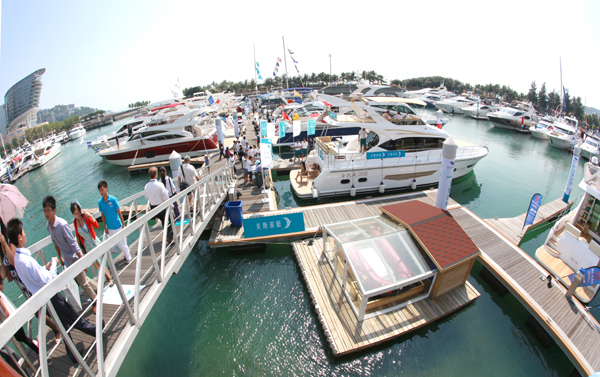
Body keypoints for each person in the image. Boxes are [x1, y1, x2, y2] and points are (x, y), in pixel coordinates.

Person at [10, 218, 98, 364]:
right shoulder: (26, 259)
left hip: (41, 299)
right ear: (19, 237)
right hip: (50, 296)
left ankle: (72, 354)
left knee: (63, 323)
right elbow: (47, 279)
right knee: (72, 317)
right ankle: (96, 330)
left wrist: (44, 267)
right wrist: (54, 264)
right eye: (23, 232)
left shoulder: (18, 260)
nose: (25, 235)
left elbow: (34, 277)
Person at [0, 221, 62, 343]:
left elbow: (14, 261)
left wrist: (4, 243)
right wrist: (3, 276)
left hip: (25, 277)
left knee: (41, 308)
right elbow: (4, 266)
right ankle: (58, 327)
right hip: (20, 283)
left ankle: (59, 328)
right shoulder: (0, 249)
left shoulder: (10, 241)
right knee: (37, 311)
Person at [44, 196, 99, 313]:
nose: (46, 213)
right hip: (67, 259)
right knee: (81, 280)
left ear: (54, 210)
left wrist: (82, 260)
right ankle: (97, 288)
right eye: (45, 211)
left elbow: (73, 244)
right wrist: (59, 256)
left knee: (83, 282)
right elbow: (55, 243)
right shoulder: (49, 226)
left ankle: (96, 301)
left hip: (74, 258)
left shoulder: (62, 225)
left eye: (48, 210)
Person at [70, 203, 113, 287]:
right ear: (72, 214)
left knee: (101, 262)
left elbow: (96, 226)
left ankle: (110, 278)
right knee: (95, 264)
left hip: (93, 242)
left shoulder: (85, 217)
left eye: (79, 212)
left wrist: (91, 216)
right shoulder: (75, 221)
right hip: (86, 245)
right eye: (75, 213)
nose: (78, 214)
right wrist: (81, 248)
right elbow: (78, 235)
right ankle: (106, 275)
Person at [0, 270, 39, 354]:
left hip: (11, 318)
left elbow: (6, 311)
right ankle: (36, 346)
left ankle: (38, 350)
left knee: (22, 338)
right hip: (13, 316)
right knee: (20, 338)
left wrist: (6, 325)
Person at [97, 181, 132, 264]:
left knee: (122, 243)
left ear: (106, 188)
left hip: (117, 225)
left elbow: (119, 212)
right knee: (115, 244)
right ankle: (126, 254)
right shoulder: (100, 202)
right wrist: (105, 227)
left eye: (102, 190)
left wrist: (123, 224)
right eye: (100, 190)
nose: (101, 192)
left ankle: (128, 257)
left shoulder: (113, 199)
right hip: (109, 227)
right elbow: (102, 215)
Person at [144, 168, 174, 242]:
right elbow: (165, 196)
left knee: (163, 220)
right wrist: (171, 204)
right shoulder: (159, 185)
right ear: (156, 174)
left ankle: (167, 235)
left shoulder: (146, 186)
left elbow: (146, 198)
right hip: (162, 206)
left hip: (154, 208)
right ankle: (169, 236)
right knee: (172, 218)